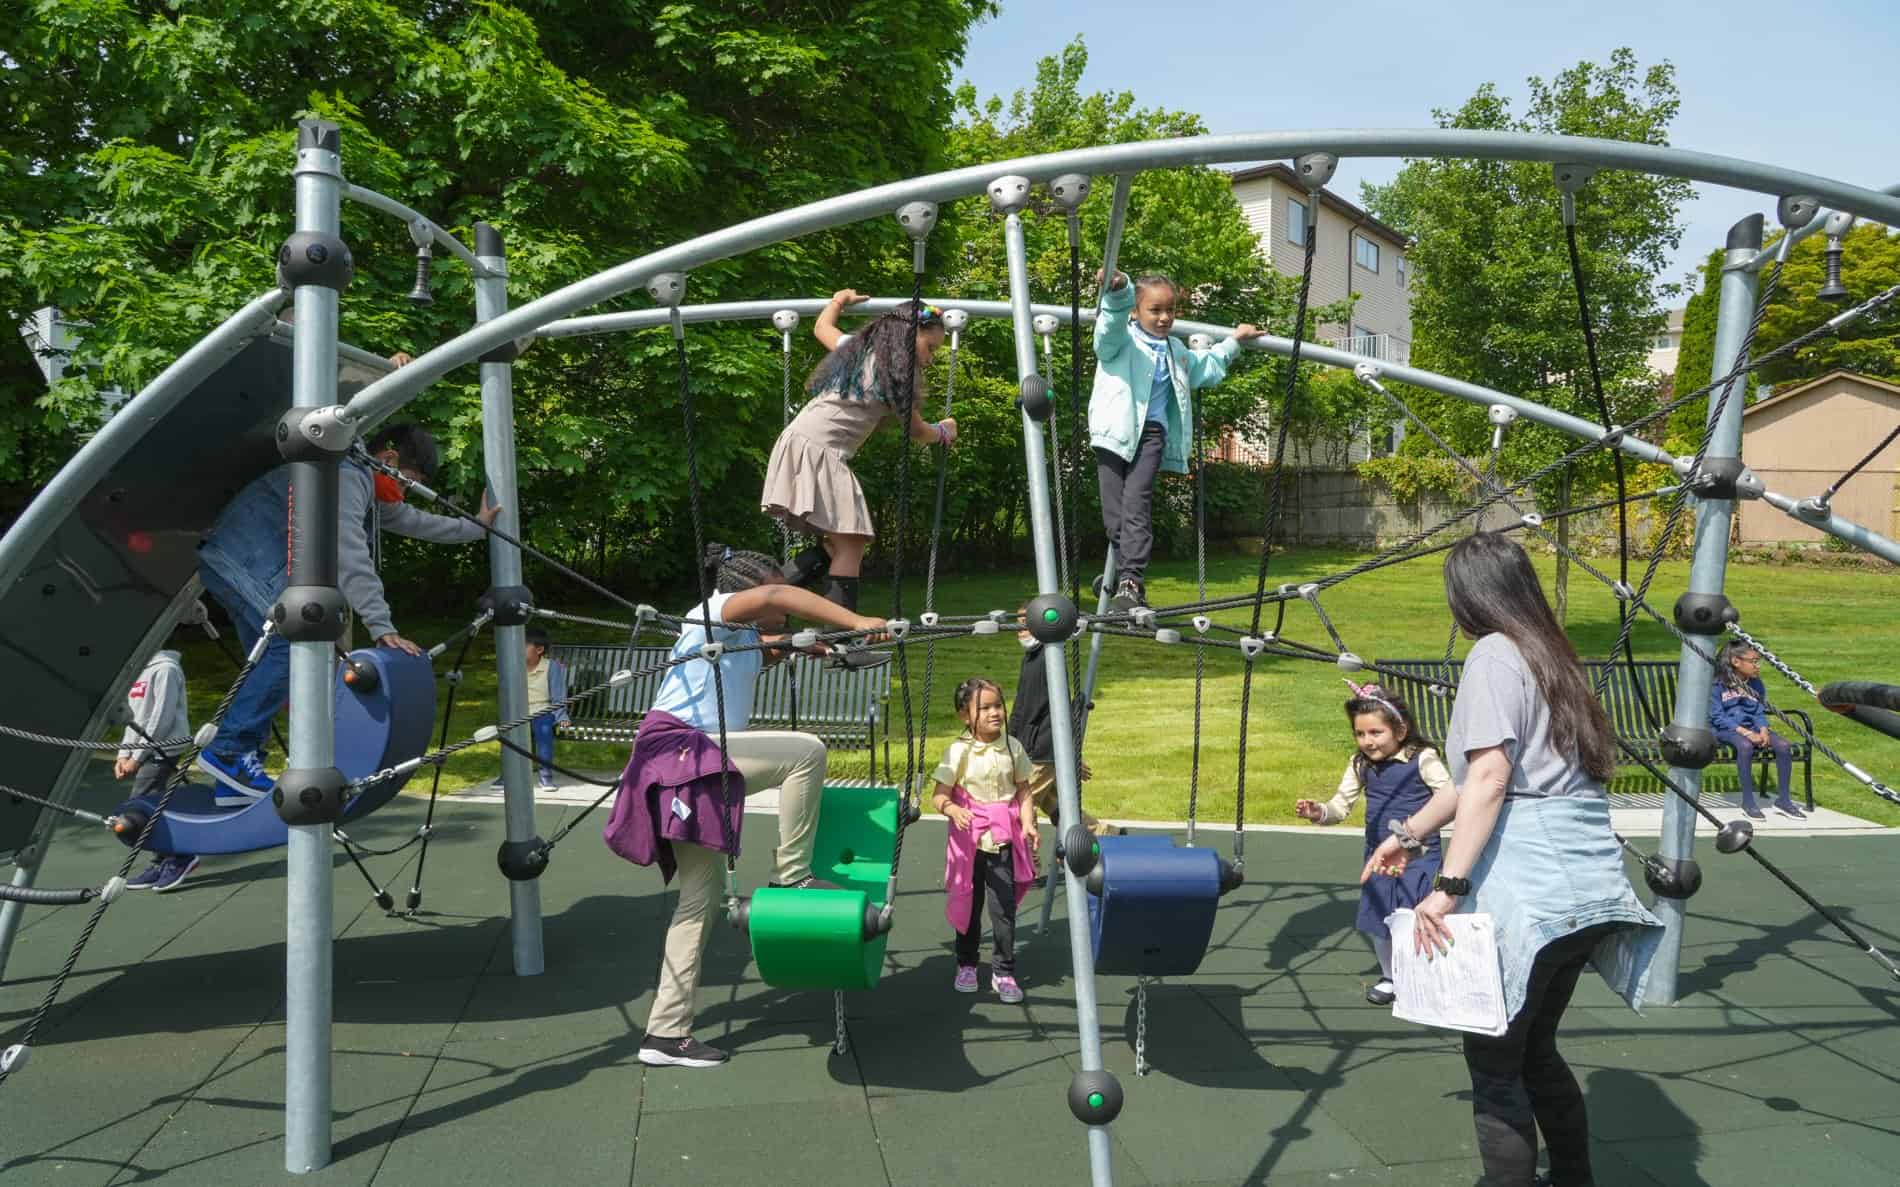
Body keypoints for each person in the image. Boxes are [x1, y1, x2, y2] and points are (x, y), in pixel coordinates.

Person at [1362, 532, 1663, 1187]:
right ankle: (1574, 1177)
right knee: (1534, 1053)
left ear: (1469, 593)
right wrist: (1408, 833)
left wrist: (1446, 886)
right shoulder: (1551, 655)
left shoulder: (1493, 654)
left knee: (1495, 1067)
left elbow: (1493, 777)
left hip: (1535, 895)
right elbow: (1480, 782)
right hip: (1586, 894)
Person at [604, 544, 886, 1069]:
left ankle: (665, 1034)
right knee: (806, 752)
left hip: (689, 764)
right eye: (769, 595)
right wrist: (857, 618)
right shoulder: (709, 614)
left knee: (698, 902)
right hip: (682, 751)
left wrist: (824, 645)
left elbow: (778, 644)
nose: (778, 606)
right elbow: (779, 596)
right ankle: (794, 874)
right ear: (747, 592)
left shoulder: (737, 638)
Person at [195, 414, 500, 798]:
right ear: (388, 461)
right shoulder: (345, 475)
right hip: (246, 559)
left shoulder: (362, 482)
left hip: (228, 559)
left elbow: (414, 521)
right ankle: (230, 750)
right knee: (291, 647)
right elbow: (350, 555)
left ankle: (232, 773)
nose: (405, 495)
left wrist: (476, 528)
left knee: (270, 665)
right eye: (411, 482)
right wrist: (382, 626)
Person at [761, 290, 958, 614]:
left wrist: (838, 301)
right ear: (909, 336)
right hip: (819, 449)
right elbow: (918, 431)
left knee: (838, 544)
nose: (931, 358)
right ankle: (842, 636)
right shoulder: (894, 377)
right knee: (853, 539)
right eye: (930, 347)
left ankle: (762, 596)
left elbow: (822, 328)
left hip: (800, 441)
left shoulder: (859, 351)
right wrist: (943, 431)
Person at [1088, 270, 1264, 611]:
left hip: (1151, 435)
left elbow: (1205, 367)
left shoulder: (1176, 351)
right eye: (1155, 310)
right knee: (1115, 515)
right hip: (1112, 435)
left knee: (1136, 506)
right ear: (1136, 312)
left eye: (1170, 310)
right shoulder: (1119, 341)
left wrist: (1235, 341)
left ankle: (1131, 580)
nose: (1165, 317)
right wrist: (1119, 292)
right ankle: (1120, 577)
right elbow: (1107, 327)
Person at [1295, 680, 1452, 1006]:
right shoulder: (1360, 764)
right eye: (1360, 734)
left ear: (1400, 729)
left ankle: (1427, 975)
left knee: (1417, 914)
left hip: (1419, 855)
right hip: (1379, 857)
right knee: (1381, 919)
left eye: (1376, 733)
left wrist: (1420, 828)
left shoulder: (1422, 758)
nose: (1367, 741)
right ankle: (1390, 977)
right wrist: (1318, 812)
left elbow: (1450, 795)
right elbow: (1340, 807)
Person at [931, 677, 1037, 1003]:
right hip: (970, 842)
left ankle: (1004, 970)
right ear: (966, 716)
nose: (995, 713)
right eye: (985, 708)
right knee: (969, 904)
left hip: (1003, 838)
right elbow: (938, 794)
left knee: (1002, 909)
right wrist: (952, 810)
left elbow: (1023, 788)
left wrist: (1029, 822)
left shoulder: (1012, 746)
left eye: (998, 705)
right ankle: (966, 963)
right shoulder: (959, 751)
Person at [1009, 615, 1115, 859]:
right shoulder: (1032, 658)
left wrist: (1070, 754)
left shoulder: (1047, 658)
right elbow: (1021, 707)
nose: (1019, 629)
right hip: (1035, 746)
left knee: (1019, 806)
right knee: (1055, 805)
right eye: (1018, 623)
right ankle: (1106, 835)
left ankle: (1027, 863)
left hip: (1041, 748)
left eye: (1026, 623)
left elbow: (1053, 709)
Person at [115, 647, 198, 891]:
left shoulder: (166, 669)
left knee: (139, 808)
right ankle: (162, 860)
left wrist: (138, 757)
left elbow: (161, 718)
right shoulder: (139, 670)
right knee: (154, 804)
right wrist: (123, 753)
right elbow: (133, 718)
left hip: (162, 748)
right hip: (144, 749)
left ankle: (182, 856)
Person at [1709, 639, 1803, 821]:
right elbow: (1717, 717)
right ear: (1736, 662)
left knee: (1783, 746)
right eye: (1753, 661)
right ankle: (1748, 802)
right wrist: (1746, 733)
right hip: (1724, 729)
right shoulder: (1716, 685)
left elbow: (1759, 710)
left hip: (1751, 728)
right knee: (1745, 747)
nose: (1757, 666)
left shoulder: (1755, 684)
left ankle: (1783, 801)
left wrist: (1763, 730)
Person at [497, 627, 569, 792]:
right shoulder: (515, 667)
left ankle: (545, 775)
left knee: (543, 732)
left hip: (543, 710)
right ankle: (507, 775)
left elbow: (559, 695)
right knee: (509, 736)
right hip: (519, 712)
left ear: (539, 650)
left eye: (523, 646)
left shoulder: (551, 667)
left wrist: (561, 716)